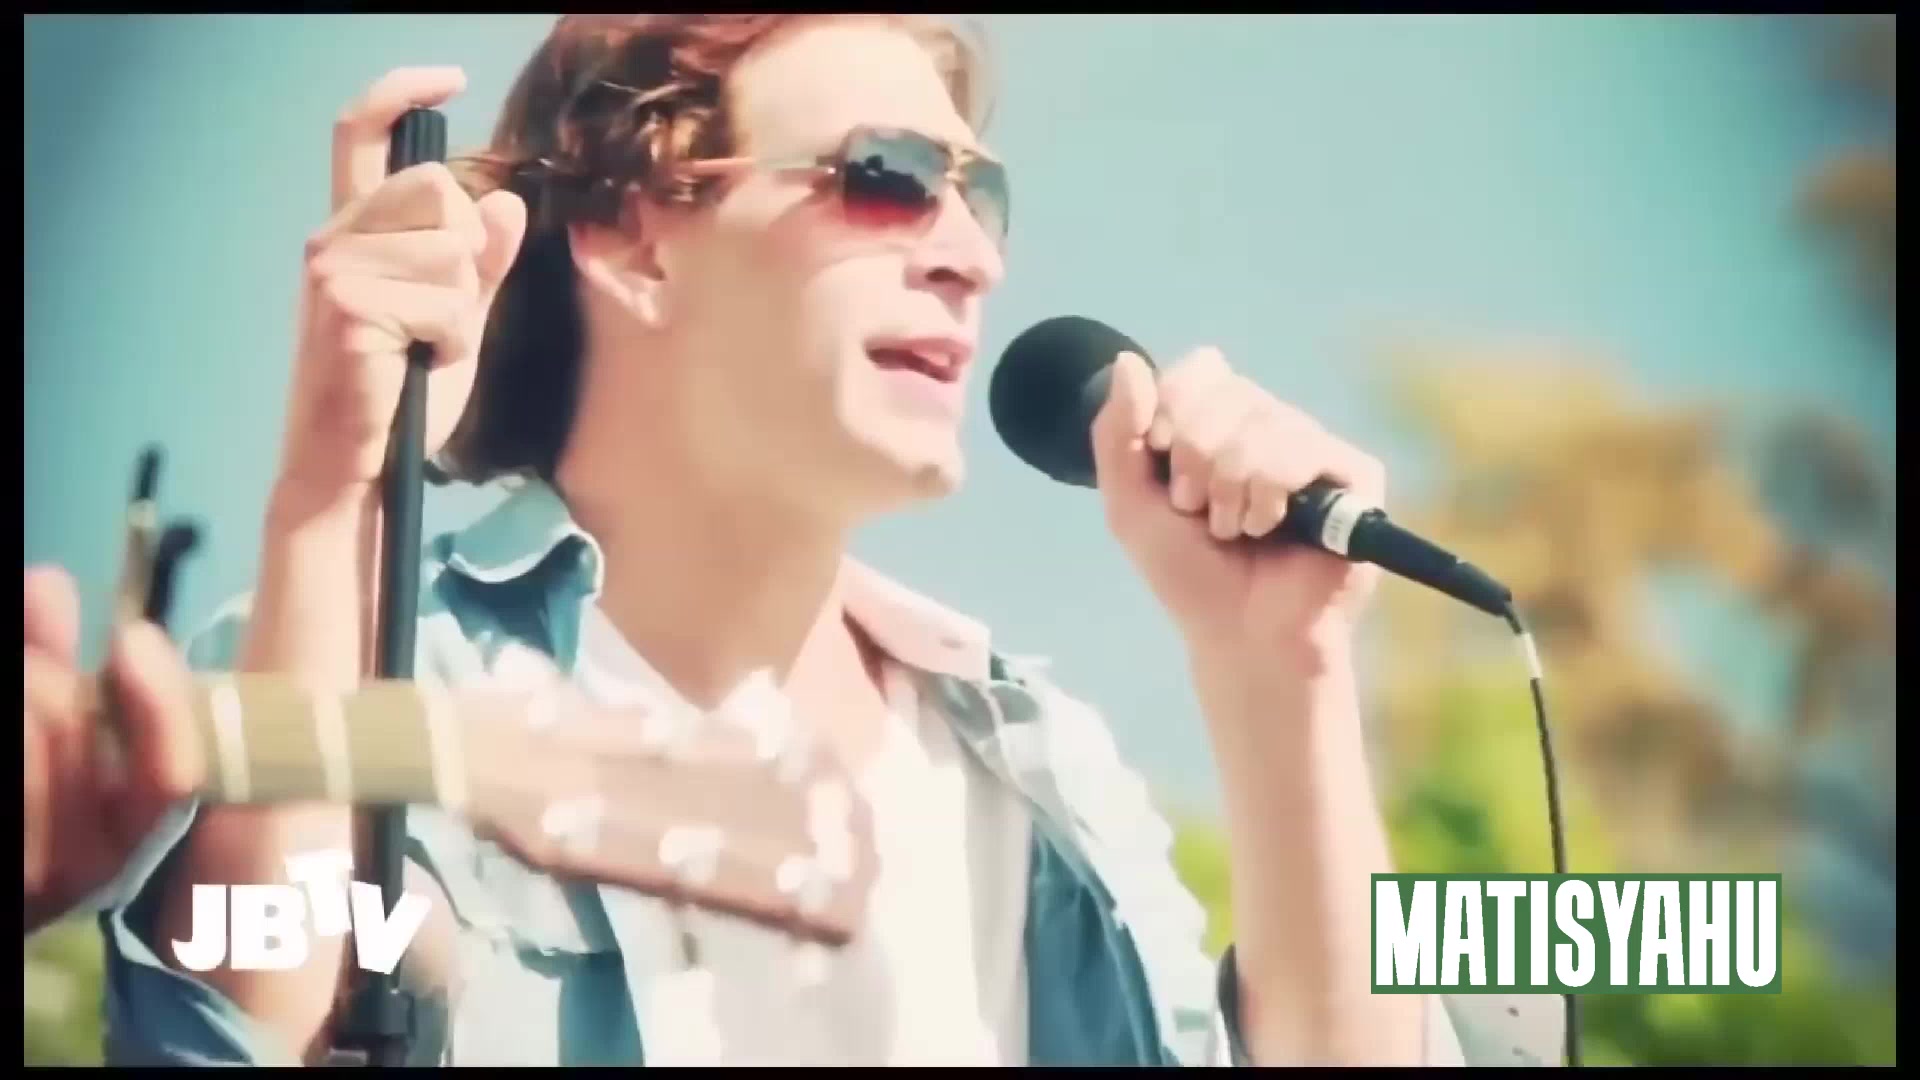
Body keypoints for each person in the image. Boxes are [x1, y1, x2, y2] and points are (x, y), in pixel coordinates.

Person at [60, 13, 1560, 1067]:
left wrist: (1280, 671)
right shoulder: (365, 674)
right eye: (888, 176)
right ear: (632, 231)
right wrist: (337, 499)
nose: (967, 253)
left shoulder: (1047, 771)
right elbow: (247, 1016)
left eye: (981, 196)